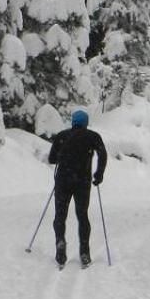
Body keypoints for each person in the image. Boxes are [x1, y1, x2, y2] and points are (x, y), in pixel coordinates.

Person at [48, 109, 107, 267]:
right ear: (86, 123)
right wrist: (99, 174)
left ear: (73, 122)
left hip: (63, 181)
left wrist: (63, 156)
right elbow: (103, 154)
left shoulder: (62, 136)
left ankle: (60, 246)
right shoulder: (93, 137)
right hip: (82, 182)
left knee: (60, 215)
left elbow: (52, 158)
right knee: (82, 216)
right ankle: (85, 253)